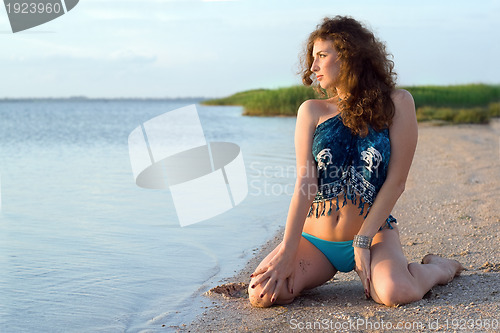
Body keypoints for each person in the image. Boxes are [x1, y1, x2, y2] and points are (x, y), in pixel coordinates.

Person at [248, 15, 463, 308]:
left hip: (374, 236)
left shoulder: (398, 103)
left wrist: (362, 240)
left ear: (350, 56)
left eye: (322, 56)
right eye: (312, 58)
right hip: (316, 240)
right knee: (263, 294)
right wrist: (288, 249)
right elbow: (305, 181)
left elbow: (396, 182)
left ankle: (439, 268)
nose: (313, 67)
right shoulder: (311, 111)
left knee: (395, 293)